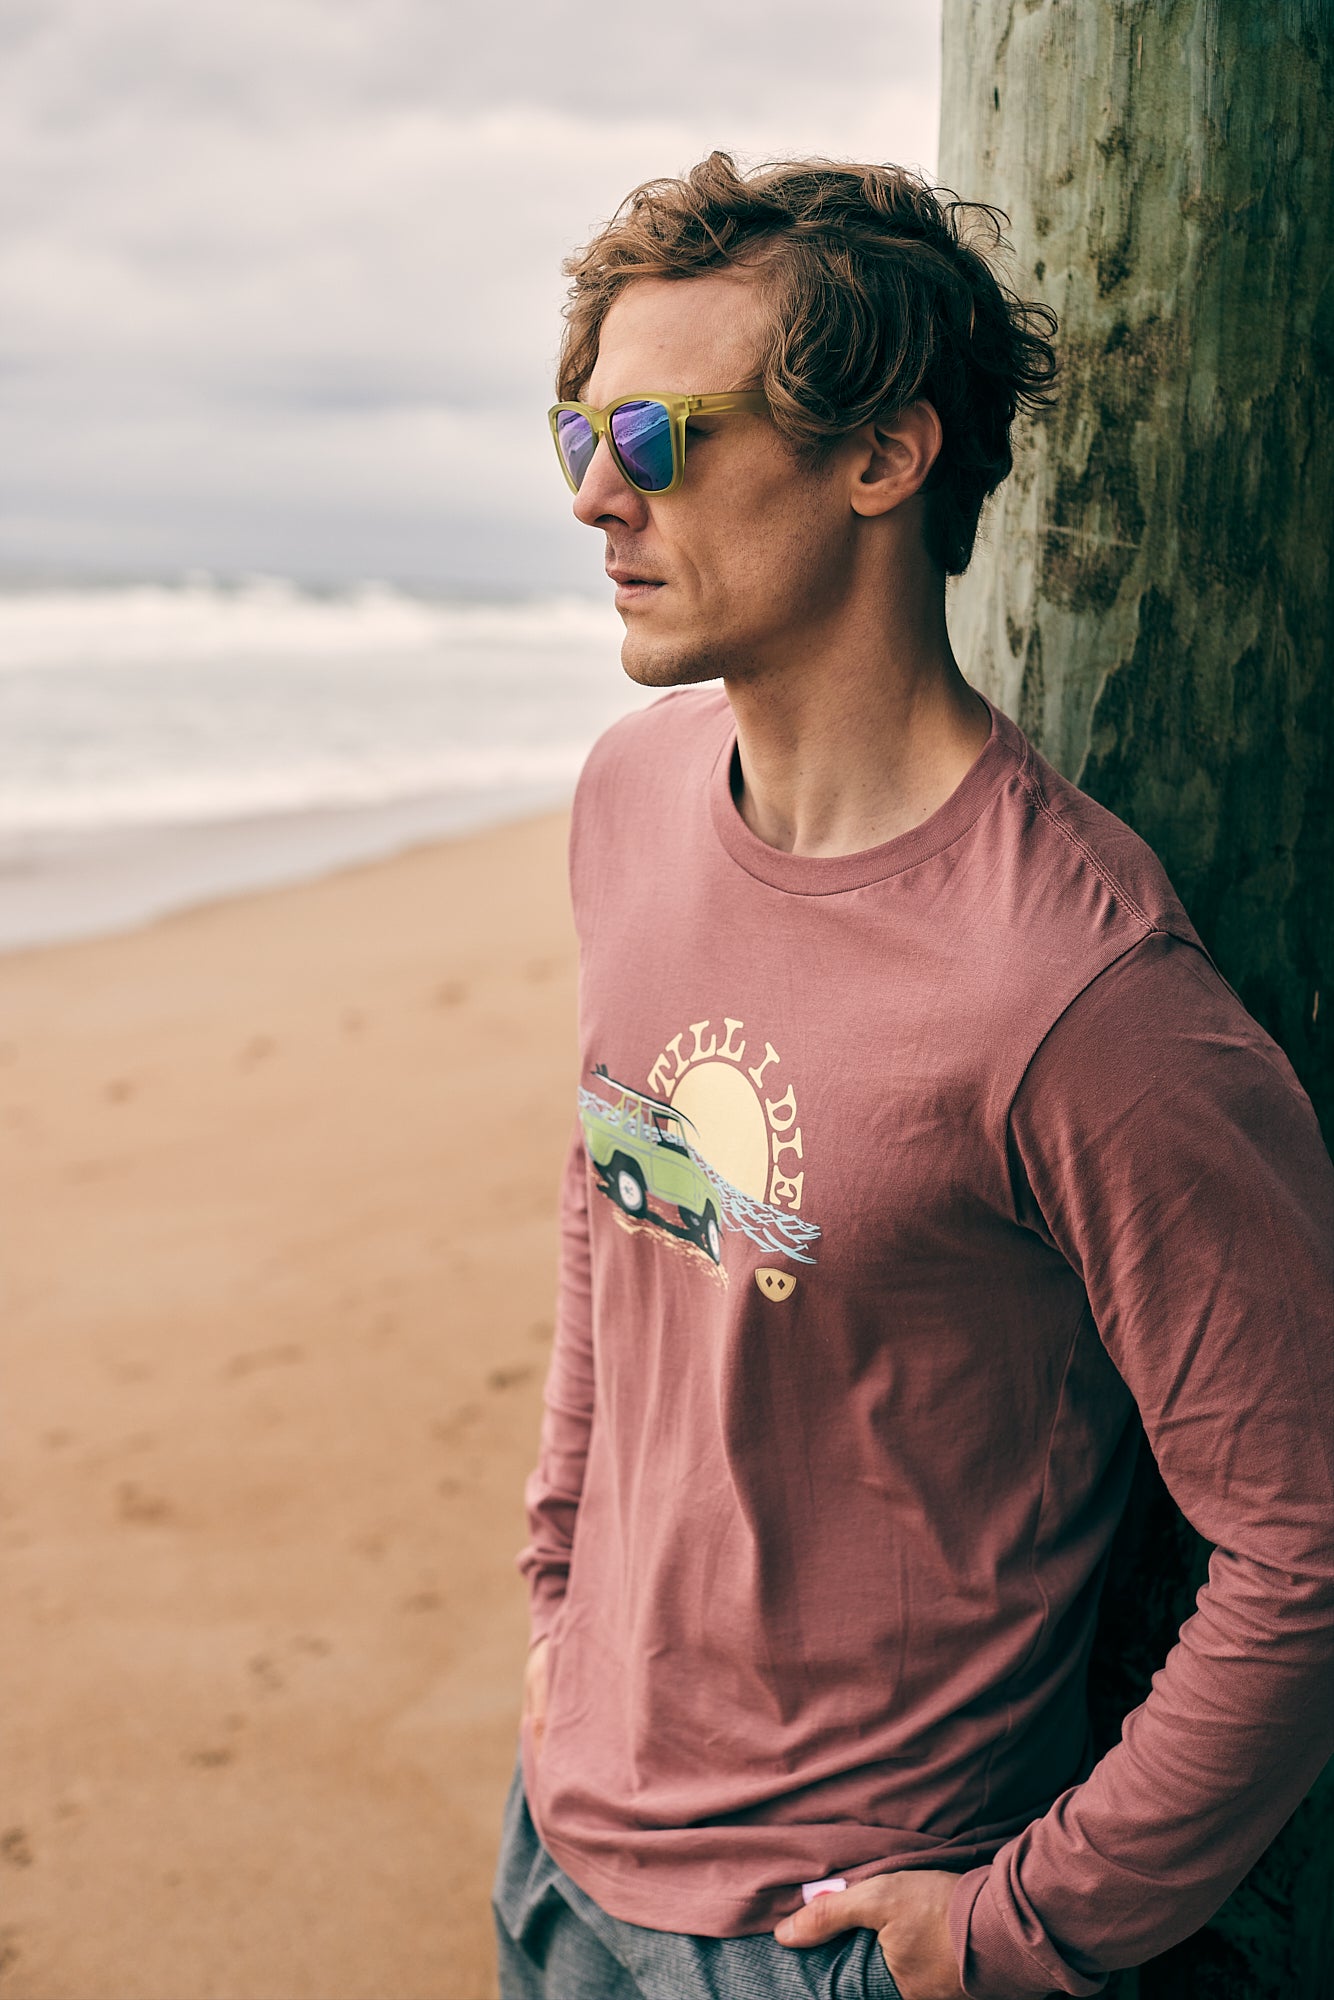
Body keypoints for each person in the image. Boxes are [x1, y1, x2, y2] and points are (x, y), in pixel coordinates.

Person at [490, 153, 1334, 2000]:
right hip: (559, 1843)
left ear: (881, 456)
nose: (596, 493)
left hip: (835, 1930)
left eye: (656, 434)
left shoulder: (1078, 990)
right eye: (578, 433)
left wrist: (1026, 1927)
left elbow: (1302, 1537)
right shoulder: (630, 798)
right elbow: (613, 1204)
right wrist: (555, 1603)